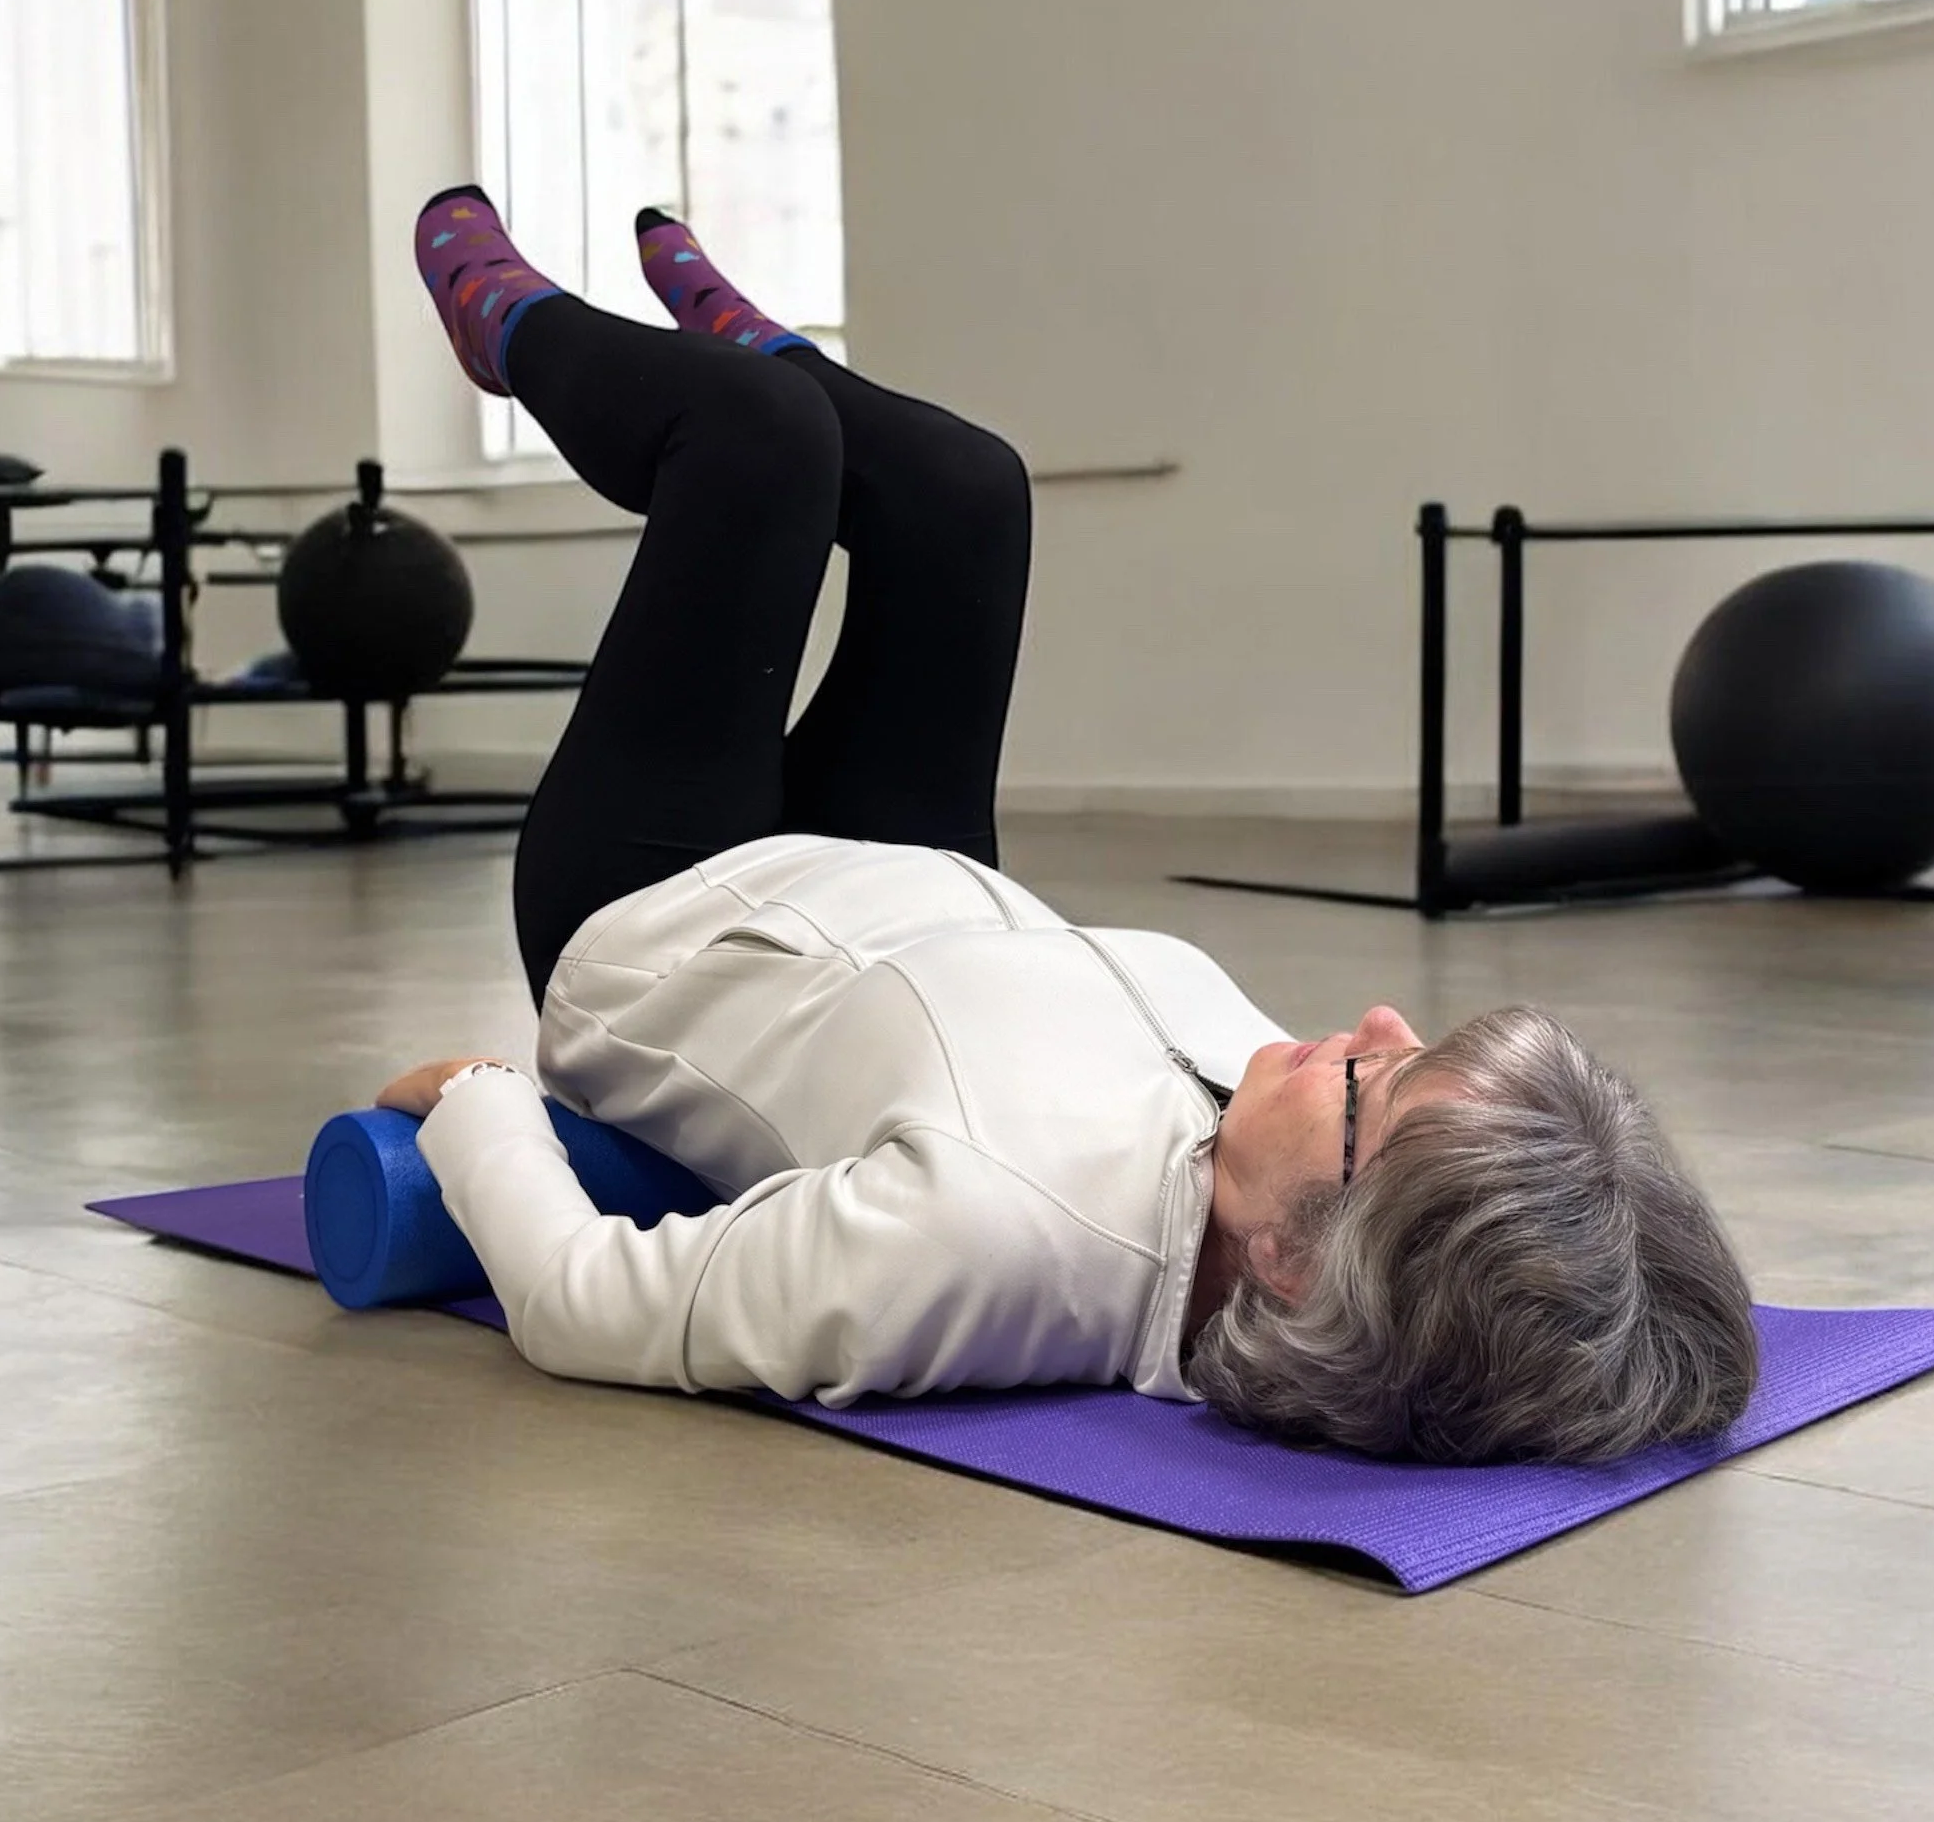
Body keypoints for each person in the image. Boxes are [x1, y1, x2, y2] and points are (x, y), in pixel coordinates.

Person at [377, 188, 1758, 1463]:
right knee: (966, 489)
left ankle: (523, 336)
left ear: (1291, 1258)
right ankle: (781, 365)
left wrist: (475, 1103)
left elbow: (580, 1302)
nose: (1383, 1023)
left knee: (750, 446)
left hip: (663, 916)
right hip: (895, 875)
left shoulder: (977, 1247)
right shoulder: (1269, 1155)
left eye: (1375, 1089)